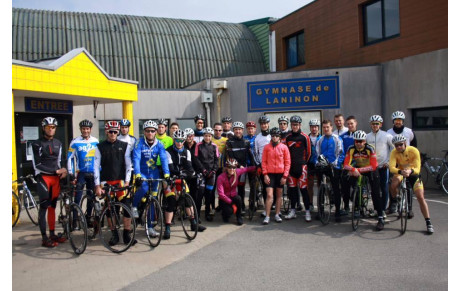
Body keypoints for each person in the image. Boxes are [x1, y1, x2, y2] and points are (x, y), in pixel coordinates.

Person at [94, 121, 134, 246]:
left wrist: (127, 181)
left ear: (118, 132)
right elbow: (95, 167)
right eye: (110, 131)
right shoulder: (99, 147)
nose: (113, 134)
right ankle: (114, 234)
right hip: (106, 182)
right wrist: (97, 185)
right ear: (106, 131)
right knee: (111, 210)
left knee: (127, 208)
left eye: (115, 132)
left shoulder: (124, 145)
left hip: (121, 182)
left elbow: (128, 165)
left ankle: (126, 234)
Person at [32, 117, 68, 248]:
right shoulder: (37, 144)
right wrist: (56, 171)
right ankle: (44, 237)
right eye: (48, 127)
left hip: (55, 179)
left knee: (53, 206)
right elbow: (37, 165)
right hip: (44, 178)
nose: (51, 129)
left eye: (53, 127)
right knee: (43, 208)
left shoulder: (58, 142)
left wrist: (64, 170)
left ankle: (52, 233)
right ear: (43, 128)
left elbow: (60, 160)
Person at [132, 120, 170, 238]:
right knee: (143, 188)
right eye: (148, 131)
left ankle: (151, 227)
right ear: (144, 132)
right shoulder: (139, 143)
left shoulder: (159, 144)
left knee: (153, 200)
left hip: (154, 174)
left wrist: (167, 174)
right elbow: (136, 159)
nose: (150, 133)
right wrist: (137, 174)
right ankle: (134, 206)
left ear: (155, 132)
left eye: (152, 131)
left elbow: (163, 159)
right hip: (142, 173)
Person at [389, 135, 433, 234]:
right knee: (392, 185)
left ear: (405, 143)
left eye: (400, 144)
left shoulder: (413, 150)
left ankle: (428, 222)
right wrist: (401, 172)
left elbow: (418, 168)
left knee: (420, 197)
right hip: (401, 172)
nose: (398, 147)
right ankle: (397, 200)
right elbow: (391, 167)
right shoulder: (394, 152)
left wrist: (410, 171)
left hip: (413, 174)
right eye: (396, 145)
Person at [165, 129, 205, 238]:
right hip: (171, 178)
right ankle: (167, 227)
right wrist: (181, 173)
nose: (179, 143)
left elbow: (189, 166)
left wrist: (193, 173)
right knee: (171, 201)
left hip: (181, 178)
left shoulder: (186, 151)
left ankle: (193, 223)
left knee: (188, 200)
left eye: (181, 140)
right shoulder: (168, 151)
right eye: (177, 140)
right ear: (174, 140)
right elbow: (171, 168)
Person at [343, 130, 384, 231]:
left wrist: (358, 170)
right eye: (357, 141)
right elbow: (345, 164)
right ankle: (356, 204)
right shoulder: (351, 149)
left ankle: (380, 217)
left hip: (370, 169)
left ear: (365, 141)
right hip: (357, 168)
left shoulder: (370, 148)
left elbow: (374, 166)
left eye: (361, 141)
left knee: (375, 193)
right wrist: (353, 169)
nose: (359, 143)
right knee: (346, 180)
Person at [67, 119, 99, 226]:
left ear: (90, 129)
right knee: (78, 196)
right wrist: (71, 173)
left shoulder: (95, 141)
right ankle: (75, 219)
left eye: (87, 129)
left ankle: (88, 217)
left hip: (93, 173)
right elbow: (69, 158)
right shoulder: (75, 142)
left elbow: (99, 157)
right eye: (84, 129)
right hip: (81, 173)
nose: (85, 131)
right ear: (81, 129)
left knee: (91, 197)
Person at [386, 111, 417, 213]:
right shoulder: (388, 132)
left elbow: (414, 146)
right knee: (392, 184)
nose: (398, 122)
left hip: (407, 161)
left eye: (400, 120)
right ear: (393, 121)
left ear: (403, 121)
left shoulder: (409, 132)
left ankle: (409, 208)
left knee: (408, 187)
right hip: (395, 161)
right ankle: (394, 202)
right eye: (396, 120)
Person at [284, 116, 312, 221]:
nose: (295, 126)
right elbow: (284, 152)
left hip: (302, 167)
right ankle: (293, 210)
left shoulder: (305, 137)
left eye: (296, 124)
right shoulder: (287, 137)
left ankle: (307, 211)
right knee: (292, 190)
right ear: (291, 125)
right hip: (291, 167)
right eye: (293, 124)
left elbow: (309, 152)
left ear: (300, 125)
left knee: (304, 190)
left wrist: (304, 163)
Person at [261, 127, 291, 224]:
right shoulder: (266, 147)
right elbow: (264, 162)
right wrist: (265, 174)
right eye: (273, 136)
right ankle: (267, 216)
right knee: (269, 195)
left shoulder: (284, 147)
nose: (274, 138)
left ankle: (277, 214)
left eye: (276, 136)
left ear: (280, 137)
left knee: (279, 195)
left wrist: (285, 176)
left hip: (280, 174)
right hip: (270, 174)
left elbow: (287, 162)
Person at [316, 120, 343, 222]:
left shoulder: (337, 139)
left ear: (331, 127)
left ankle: (337, 212)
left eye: (328, 127)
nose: (326, 129)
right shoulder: (320, 139)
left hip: (334, 166)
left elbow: (341, 154)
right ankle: (321, 211)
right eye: (324, 127)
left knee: (336, 189)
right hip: (323, 165)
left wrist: (335, 163)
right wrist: (318, 163)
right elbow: (317, 153)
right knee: (321, 187)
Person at [366, 115, 394, 214]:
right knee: (374, 190)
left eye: (377, 124)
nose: (375, 125)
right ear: (370, 124)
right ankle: (376, 208)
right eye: (373, 124)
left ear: (380, 124)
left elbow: (394, 149)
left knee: (384, 187)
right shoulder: (367, 136)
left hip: (383, 166)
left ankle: (382, 209)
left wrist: (389, 162)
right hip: (372, 167)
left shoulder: (387, 136)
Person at [226, 121, 255, 214]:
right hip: (233, 169)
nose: (238, 131)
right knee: (232, 188)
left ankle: (241, 205)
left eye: (239, 129)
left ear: (242, 130)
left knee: (241, 188)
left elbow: (250, 155)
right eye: (236, 129)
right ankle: (231, 205)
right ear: (233, 130)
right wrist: (238, 165)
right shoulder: (229, 141)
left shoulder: (246, 142)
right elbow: (230, 155)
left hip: (243, 168)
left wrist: (255, 165)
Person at [216, 158, 256, 225]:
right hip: (224, 198)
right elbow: (221, 194)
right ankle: (224, 214)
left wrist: (257, 167)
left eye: (234, 167)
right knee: (229, 211)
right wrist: (231, 203)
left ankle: (239, 217)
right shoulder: (221, 177)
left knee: (239, 199)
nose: (232, 169)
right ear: (226, 167)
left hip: (233, 196)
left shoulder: (237, 172)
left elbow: (247, 169)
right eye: (230, 167)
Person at [194, 127, 220, 222]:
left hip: (211, 173)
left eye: (209, 136)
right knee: (200, 194)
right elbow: (196, 159)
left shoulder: (214, 146)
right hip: (201, 172)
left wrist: (213, 171)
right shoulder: (198, 145)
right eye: (205, 136)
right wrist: (203, 170)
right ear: (203, 136)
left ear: (211, 136)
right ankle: (197, 215)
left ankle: (207, 213)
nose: (207, 138)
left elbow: (217, 160)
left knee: (209, 194)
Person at [338, 116, 358, 215]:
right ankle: (346, 207)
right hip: (346, 165)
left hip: (358, 165)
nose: (350, 125)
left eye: (352, 123)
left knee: (356, 187)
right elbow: (340, 151)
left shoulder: (361, 135)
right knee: (345, 187)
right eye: (348, 124)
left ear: (356, 123)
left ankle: (358, 208)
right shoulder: (342, 136)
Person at [184, 128, 203, 222]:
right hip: (185, 173)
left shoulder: (198, 146)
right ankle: (186, 213)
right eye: (187, 136)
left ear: (193, 136)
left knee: (196, 195)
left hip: (196, 173)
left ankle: (196, 215)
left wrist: (201, 171)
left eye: (190, 135)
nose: (189, 137)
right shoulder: (182, 146)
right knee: (185, 194)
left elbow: (200, 159)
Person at [254, 115, 271, 214]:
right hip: (262, 165)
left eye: (265, 123)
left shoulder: (271, 136)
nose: (264, 125)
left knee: (273, 186)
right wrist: (258, 165)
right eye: (262, 124)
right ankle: (266, 207)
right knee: (265, 188)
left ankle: (273, 205)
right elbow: (256, 153)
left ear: (268, 124)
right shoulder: (257, 138)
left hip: (272, 165)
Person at [211, 122, 228, 214]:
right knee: (212, 189)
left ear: (222, 131)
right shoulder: (210, 139)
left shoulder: (226, 140)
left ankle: (222, 206)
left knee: (223, 189)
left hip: (223, 168)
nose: (218, 132)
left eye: (220, 130)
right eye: (216, 130)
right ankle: (212, 207)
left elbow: (229, 154)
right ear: (213, 130)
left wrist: (226, 166)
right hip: (213, 169)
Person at [307, 119, 322, 212]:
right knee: (310, 185)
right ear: (310, 128)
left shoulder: (322, 138)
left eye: (316, 127)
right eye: (312, 127)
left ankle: (320, 204)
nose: (314, 128)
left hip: (319, 164)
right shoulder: (306, 138)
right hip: (310, 164)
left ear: (318, 128)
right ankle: (310, 203)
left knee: (320, 185)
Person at [243, 121, 258, 212]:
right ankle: (245, 204)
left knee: (254, 185)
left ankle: (253, 202)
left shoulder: (257, 138)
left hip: (255, 164)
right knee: (243, 185)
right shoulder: (244, 139)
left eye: (252, 128)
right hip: (246, 165)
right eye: (248, 128)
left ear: (255, 129)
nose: (250, 130)